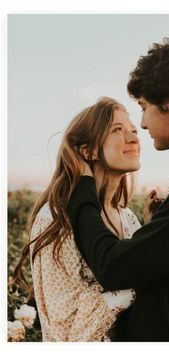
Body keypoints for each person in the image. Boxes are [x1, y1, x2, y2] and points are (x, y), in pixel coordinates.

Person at [68, 36, 169, 341]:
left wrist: (81, 191)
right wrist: (156, 227)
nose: (141, 125)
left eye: (143, 108)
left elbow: (113, 267)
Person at [13, 97, 142, 341]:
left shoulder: (129, 218)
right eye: (117, 130)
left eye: (133, 130)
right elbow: (69, 331)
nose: (134, 138)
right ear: (88, 151)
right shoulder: (54, 221)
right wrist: (139, 284)